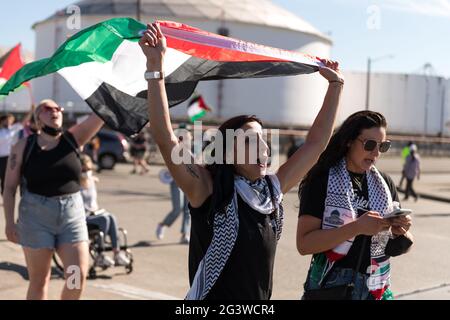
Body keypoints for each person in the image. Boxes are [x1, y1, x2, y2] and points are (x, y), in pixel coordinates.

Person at [139, 22, 344, 300]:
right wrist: (155, 67)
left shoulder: (272, 190)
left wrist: (335, 86)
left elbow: (315, 144)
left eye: (263, 140)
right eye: (249, 141)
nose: (262, 148)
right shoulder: (208, 189)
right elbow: (166, 139)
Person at [297, 111, 414, 300]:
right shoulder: (323, 180)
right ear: (349, 141)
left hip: (375, 288)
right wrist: (356, 228)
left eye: (382, 146)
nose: (376, 153)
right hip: (331, 287)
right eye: (369, 145)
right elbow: (304, 244)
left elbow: (391, 248)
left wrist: (402, 232)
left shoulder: (384, 184)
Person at [3, 99, 104, 300]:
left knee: (76, 278)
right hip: (35, 218)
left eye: (58, 108)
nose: (55, 111)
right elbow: (9, 187)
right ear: (37, 117)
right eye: (48, 109)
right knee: (40, 281)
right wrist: (8, 223)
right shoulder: (23, 146)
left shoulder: (74, 138)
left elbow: (102, 114)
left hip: (71, 217)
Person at [80, 154, 130, 266]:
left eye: (88, 169)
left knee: (112, 217)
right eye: (83, 169)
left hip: (93, 213)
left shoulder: (91, 181)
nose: (86, 171)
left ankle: (117, 253)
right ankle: (100, 255)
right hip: (82, 217)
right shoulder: (75, 185)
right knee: (104, 219)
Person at [155, 129, 193, 244]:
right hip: (176, 182)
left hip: (189, 183)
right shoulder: (174, 150)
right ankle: (162, 224)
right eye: (183, 137)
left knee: (188, 210)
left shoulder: (191, 152)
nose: (186, 139)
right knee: (178, 209)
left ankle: (184, 234)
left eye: (188, 137)